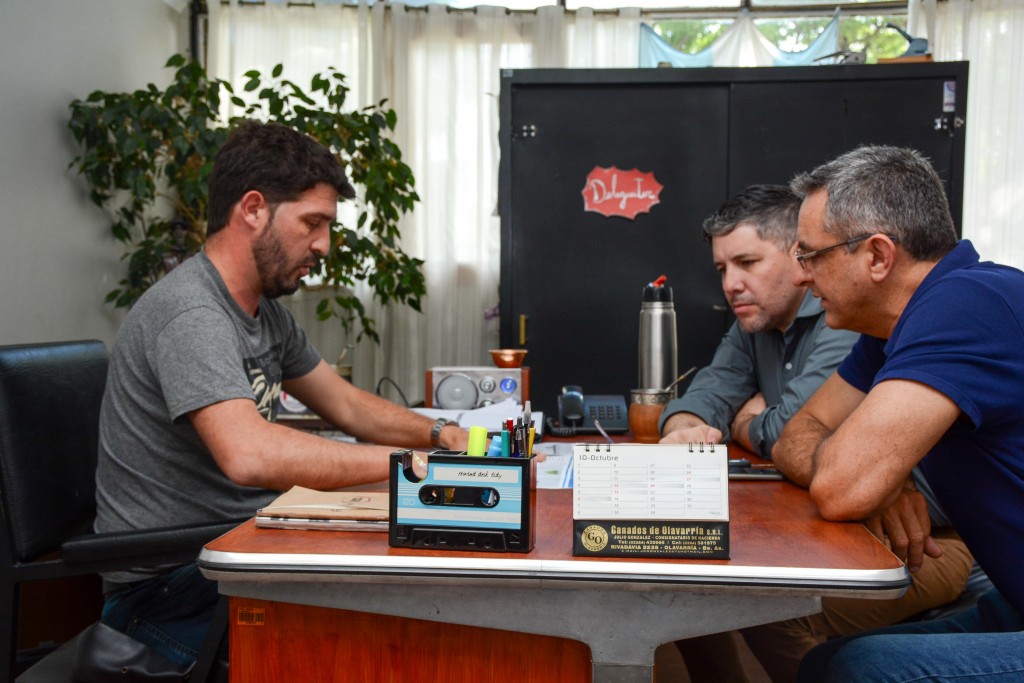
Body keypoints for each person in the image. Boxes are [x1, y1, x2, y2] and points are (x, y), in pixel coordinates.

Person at [93, 120, 470, 667]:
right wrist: (410, 465)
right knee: (390, 636)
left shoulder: (263, 312)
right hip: (170, 594)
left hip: (236, 553)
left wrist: (440, 435)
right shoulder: (192, 313)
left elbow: (344, 404)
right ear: (252, 209)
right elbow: (250, 455)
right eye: (313, 223)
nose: (324, 244)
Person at [660, 184, 975, 683]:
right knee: (686, 579)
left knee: (765, 605)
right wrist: (685, 427)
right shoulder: (754, 323)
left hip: (927, 541)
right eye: (722, 269)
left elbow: (794, 433)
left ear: (797, 254)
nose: (731, 284)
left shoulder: (849, 316)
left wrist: (742, 422)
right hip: (834, 526)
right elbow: (712, 401)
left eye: (746, 263)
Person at [771, 145, 1024, 682]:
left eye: (810, 255)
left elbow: (842, 487)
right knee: (824, 664)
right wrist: (891, 479)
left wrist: (870, 475)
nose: (800, 277)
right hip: (1013, 602)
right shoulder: (892, 331)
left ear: (878, 256)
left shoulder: (966, 305)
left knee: (864, 671)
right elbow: (795, 436)